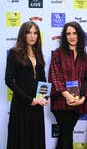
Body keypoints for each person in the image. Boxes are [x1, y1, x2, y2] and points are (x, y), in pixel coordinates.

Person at [48, 21, 87, 149]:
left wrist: (83, 98)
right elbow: (54, 76)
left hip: (78, 105)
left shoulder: (86, 58)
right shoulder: (57, 53)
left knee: (65, 135)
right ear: (65, 36)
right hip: (61, 103)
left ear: (79, 35)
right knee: (67, 136)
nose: (72, 36)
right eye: (68, 33)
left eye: (74, 33)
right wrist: (66, 95)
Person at [5, 21, 48, 149]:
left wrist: (44, 97)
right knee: (21, 140)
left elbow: (43, 80)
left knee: (36, 139)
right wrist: (30, 100)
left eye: (35, 33)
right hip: (21, 105)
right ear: (23, 34)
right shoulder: (14, 53)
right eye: (29, 32)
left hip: (37, 106)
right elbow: (9, 80)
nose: (32, 36)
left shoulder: (38, 54)